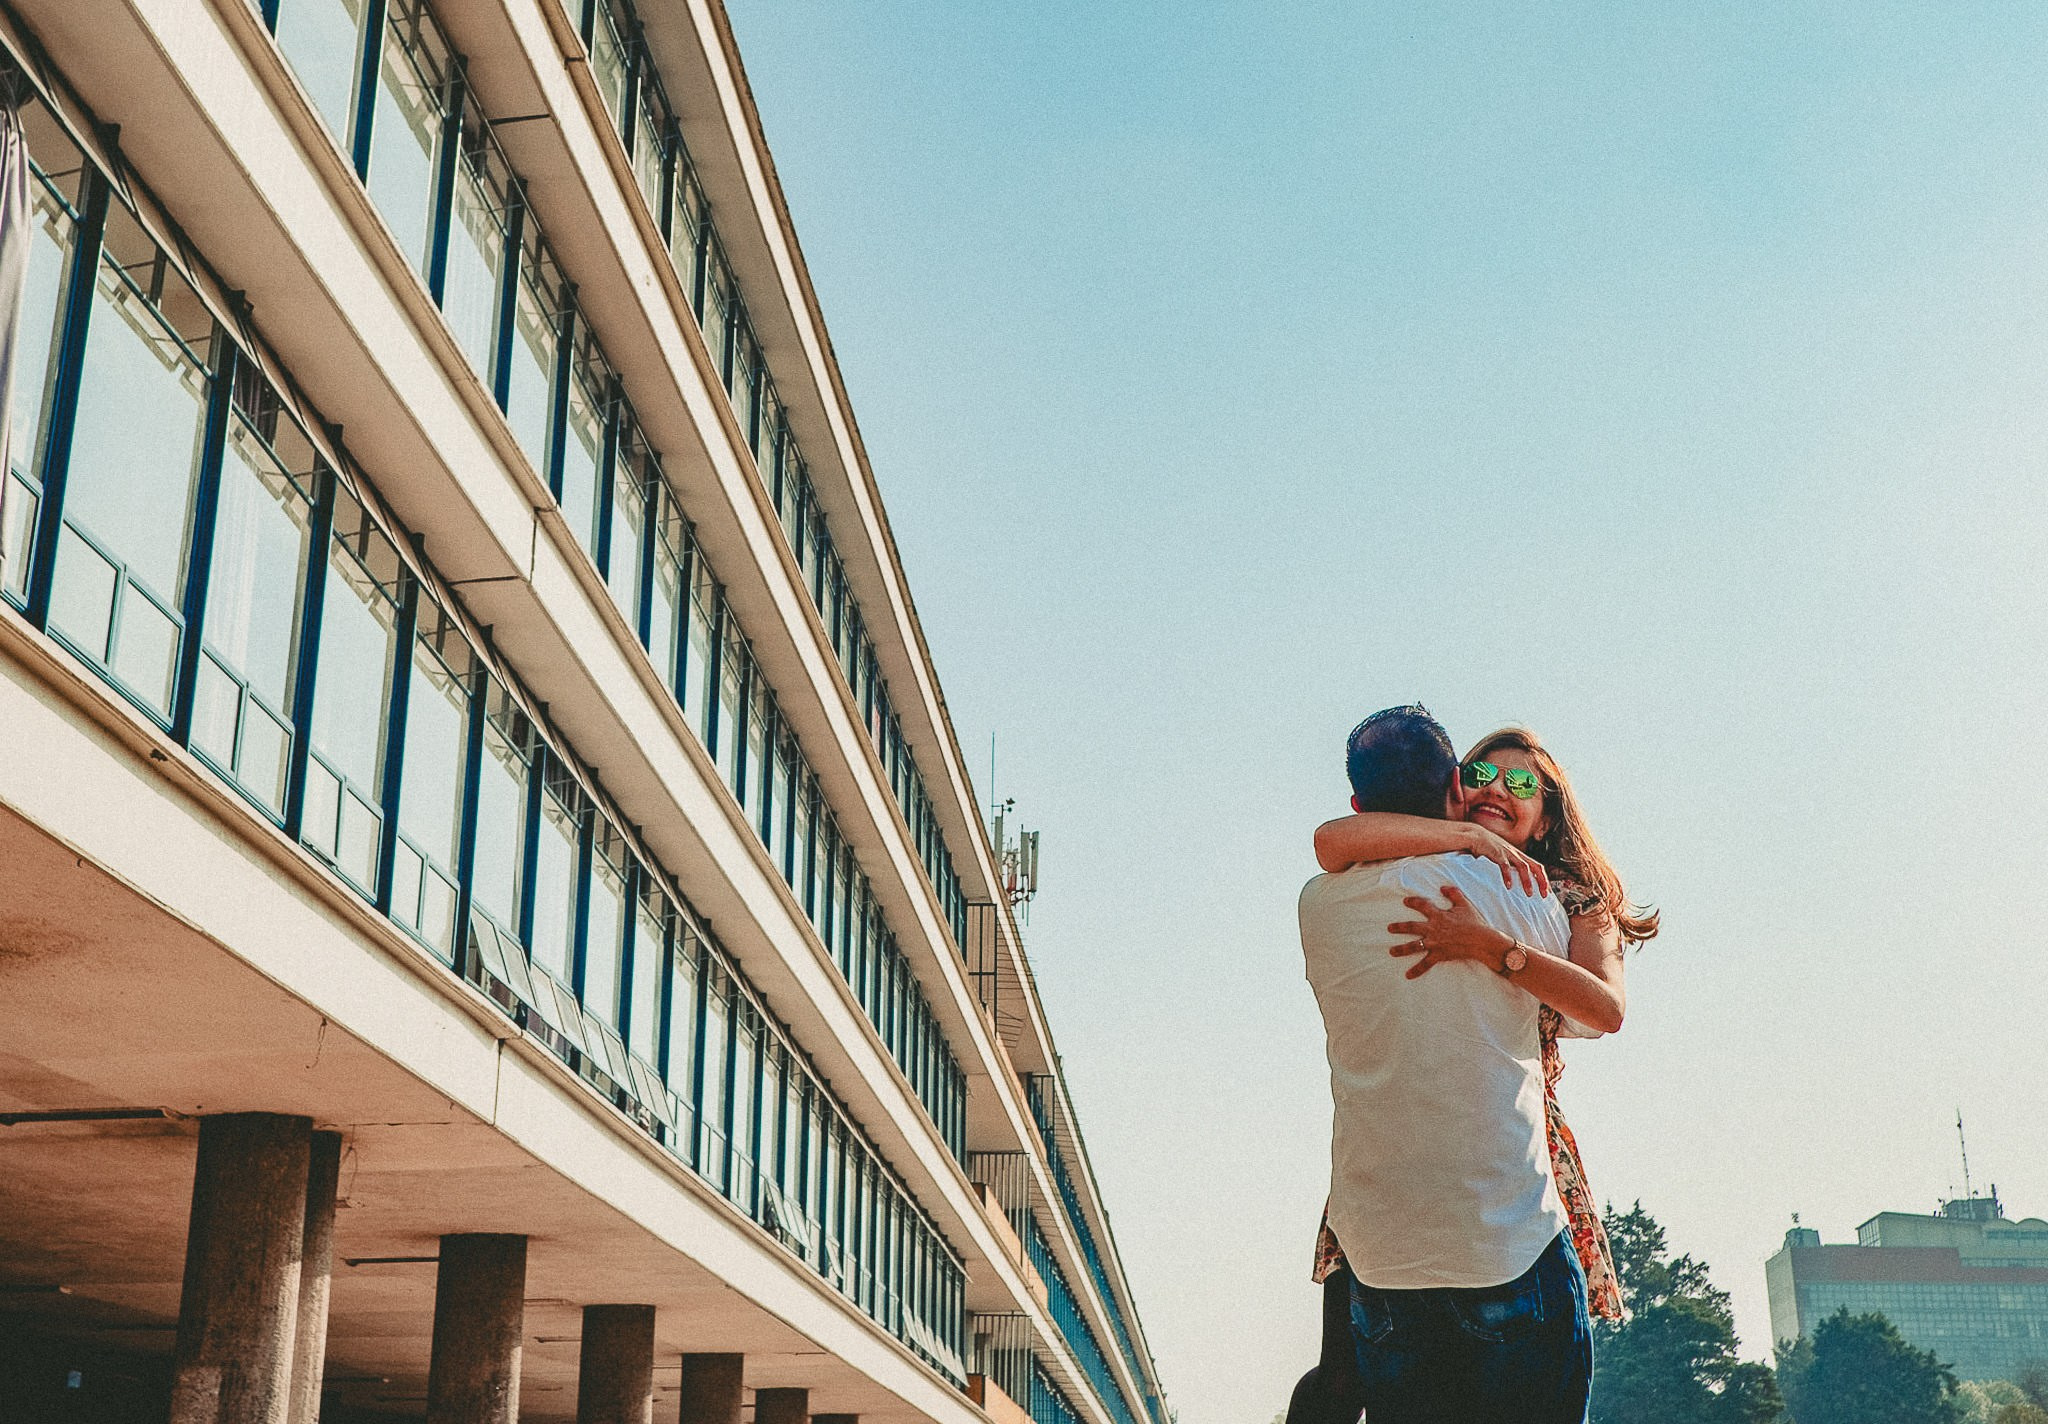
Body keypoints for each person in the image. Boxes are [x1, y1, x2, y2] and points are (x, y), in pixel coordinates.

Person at [1293, 707, 1651, 1424]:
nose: (1496, 789)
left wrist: (1492, 947)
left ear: (1548, 818)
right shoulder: (1462, 866)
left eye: (1522, 783)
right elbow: (1332, 839)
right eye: (1483, 772)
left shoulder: (1562, 900)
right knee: (1344, 1369)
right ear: (1457, 788)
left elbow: (1606, 1010)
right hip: (1431, 1165)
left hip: (1507, 1131)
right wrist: (1465, 841)